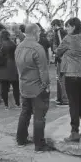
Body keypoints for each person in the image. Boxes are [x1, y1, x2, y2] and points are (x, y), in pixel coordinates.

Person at [56, 17, 81, 142]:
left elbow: (58, 52)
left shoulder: (68, 39)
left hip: (72, 74)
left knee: (73, 103)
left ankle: (74, 132)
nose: (66, 29)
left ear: (73, 27)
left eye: (68, 26)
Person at [15, 23, 53, 153]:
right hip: (37, 87)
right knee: (39, 116)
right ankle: (39, 145)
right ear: (35, 32)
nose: (40, 35)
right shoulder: (37, 48)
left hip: (24, 86)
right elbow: (44, 70)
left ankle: (21, 139)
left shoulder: (19, 47)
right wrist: (46, 86)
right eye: (39, 33)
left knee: (25, 113)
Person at [0, 30, 20, 109]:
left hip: (2, 66)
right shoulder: (13, 44)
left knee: (4, 87)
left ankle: (6, 105)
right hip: (12, 65)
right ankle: (17, 103)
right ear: (8, 35)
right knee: (16, 86)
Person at [51, 19, 69, 107]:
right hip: (64, 58)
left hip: (61, 59)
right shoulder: (64, 32)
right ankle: (60, 98)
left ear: (55, 25)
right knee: (61, 78)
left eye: (52, 26)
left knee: (61, 79)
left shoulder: (58, 32)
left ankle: (64, 99)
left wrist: (56, 53)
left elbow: (60, 46)